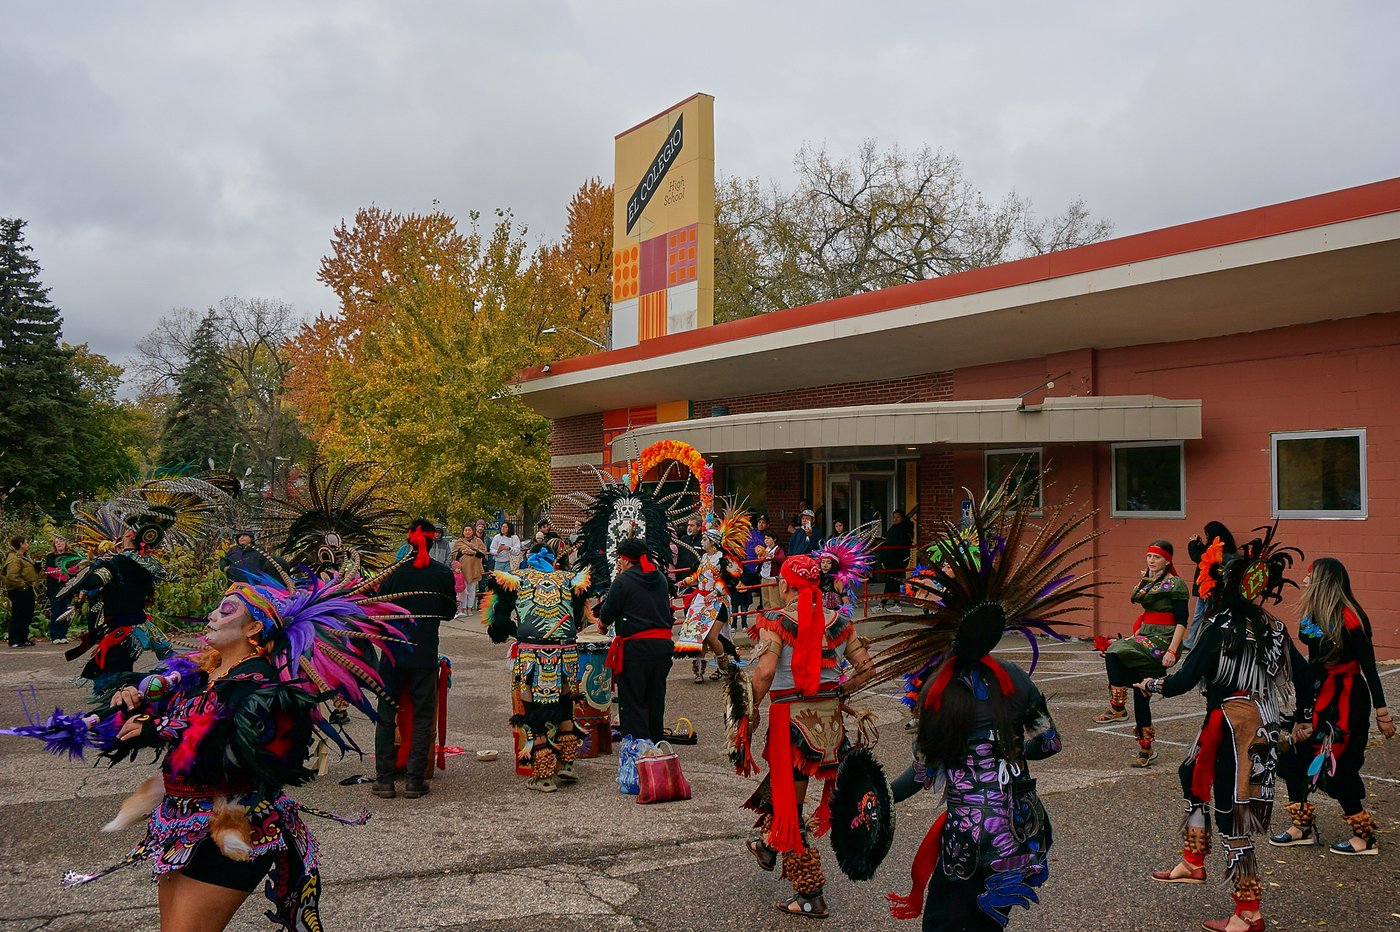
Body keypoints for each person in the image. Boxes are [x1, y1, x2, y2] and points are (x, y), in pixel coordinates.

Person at [7, 565, 412, 930]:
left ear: (253, 630)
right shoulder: (198, 673)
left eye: (226, 611)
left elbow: (239, 747)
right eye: (216, 609)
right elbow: (152, 721)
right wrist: (128, 705)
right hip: (174, 823)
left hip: (234, 825)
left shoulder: (260, 684)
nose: (213, 616)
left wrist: (162, 727)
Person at [869, 474, 1086, 931]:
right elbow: (1049, 745)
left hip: (967, 839)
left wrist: (879, 799)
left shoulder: (938, 691)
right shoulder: (1015, 677)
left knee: (945, 924)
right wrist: (1004, 750)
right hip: (1021, 831)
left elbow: (926, 771)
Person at [1137, 527, 1311, 932]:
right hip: (1251, 721)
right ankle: (1194, 860)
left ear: (1216, 586)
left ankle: (1249, 912)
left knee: (1235, 815)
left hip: (1238, 727)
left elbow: (1183, 679)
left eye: (1205, 581)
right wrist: (1301, 717)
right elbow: (1303, 676)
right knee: (1190, 774)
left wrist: (1151, 685)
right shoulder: (1271, 626)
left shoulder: (1219, 626)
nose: (1202, 587)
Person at [741, 553, 875, 919]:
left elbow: (766, 673)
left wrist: (747, 711)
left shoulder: (777, 620)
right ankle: (767, 846)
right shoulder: (840, 620)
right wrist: (839, 692)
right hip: (828, 727)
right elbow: (866, 668)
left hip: (791, 726)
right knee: (785, 792)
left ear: (784, 585)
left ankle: (810, 894)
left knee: (790, 808)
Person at [1271, 558, 1394, 854]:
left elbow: (1369, 667)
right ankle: (1302, 827)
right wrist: (1304, 714)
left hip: (1348, 699)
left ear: (1323, 581)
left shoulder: (1351, 618)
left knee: (1339, 767)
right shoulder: (1313, 616)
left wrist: (1382, 712)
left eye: (1310, 576)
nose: (1303, 581)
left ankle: (1364, 837)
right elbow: (1312, 666)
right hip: (1319, 692)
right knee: (1292, 756)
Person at [484, 542, 592, 792]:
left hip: (532, 652)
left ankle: (543, 775)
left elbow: (498, 623)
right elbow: (581, 619)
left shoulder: (516, 578)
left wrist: (517, 632)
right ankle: (567, 764)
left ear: (528, 558)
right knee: (566, 704)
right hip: (565, 652)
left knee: (533, 709)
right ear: (552, 560)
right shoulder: (569, 579)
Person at [372, 519, 457, 800]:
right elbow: (447, 612)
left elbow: (378, 610)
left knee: (386, 714)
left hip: (393, 653)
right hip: (424, 653)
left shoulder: (392, 573)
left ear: (408, 541)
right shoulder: (442, 573)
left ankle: (384, 780)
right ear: (433, 542)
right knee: (422, 717)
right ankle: (414, 780)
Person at [1092, 540, 1189, 767]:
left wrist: (1172, 651)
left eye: (1156, 557)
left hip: (1163, 640)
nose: (1151, 561)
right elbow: (1139, 605)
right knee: (1139, 690)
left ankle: (1117, 707)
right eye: (1149, 556)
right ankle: (1146, 749)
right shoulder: (1146, 581)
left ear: (1167, 560)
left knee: (1115, 651)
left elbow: (1182, 621)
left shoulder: (1175, 584)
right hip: (1145, 636)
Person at [599, 536, 676, 787]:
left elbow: (607, 614)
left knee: (633, 703)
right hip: (662, 647)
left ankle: (639, 762)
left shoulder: (623, 581)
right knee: (655, 700)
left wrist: (601, 624)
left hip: (636, 648)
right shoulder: (660, 578)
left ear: (624, 559)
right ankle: (655, 752)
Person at [676, 512, 749, 682]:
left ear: (713, 542)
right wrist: (685, 582)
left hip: (719, 602)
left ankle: (724, 667)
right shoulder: (703, 557)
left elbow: (729, 579)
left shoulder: (722, 559)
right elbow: (697, 577)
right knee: (698, 636)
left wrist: (715, 592)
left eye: (705, 538)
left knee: (712, 636)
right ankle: (699, 671)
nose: (701, 540)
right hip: (701, 601)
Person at [1184, 522, 1236, 650]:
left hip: (1208, 586)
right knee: (1203, 613)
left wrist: (1192, 544)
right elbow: (1206, 555)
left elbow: (1200, 558)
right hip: (1212, 587)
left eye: (1207, 536)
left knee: (1203, 614)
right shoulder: (1224, 548)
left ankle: (1194, 641)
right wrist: (1200, 544)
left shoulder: (1217, 549)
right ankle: (1195, 640)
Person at [3, 535, 41, 648]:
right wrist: (23, 586)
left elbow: (26, 571)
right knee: (19, 614)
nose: (28, 545)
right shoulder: (14, 558)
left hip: (26, 588)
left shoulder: (23, 556)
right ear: (21, 544)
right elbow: (12, 576)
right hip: (18, 590)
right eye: (26, 542)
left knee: (27, 614)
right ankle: (14, 640)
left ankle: (23, 638)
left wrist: (36, 568)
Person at [44, 537, 81, 644]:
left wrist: (66, 572)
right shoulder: (51, 556)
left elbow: (75, 568)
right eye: (56, 542)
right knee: (56, 611)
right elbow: (49, 570)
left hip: (68, 587)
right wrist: (64, 573)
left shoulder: (72, 556)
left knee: (66, 611)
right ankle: (55, 635)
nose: (58, 544)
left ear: (66, 543)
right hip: (54, 588)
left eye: (60, 541)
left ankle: (63, 634)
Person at [879, 509, 914, 612]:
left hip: (899, 559)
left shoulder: (904, 529)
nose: (895, 519)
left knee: (892, 580)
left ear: (902, 518)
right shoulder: (894, 528)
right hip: (891, 559)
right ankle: (892, 603)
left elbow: (900, 546)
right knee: (892, 580)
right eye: (894, 517)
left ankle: (885, 603)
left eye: (897, 517)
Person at [450, 524, 487, 614]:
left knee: (471, 589)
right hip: (462, 569)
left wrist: (473, 552)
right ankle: (462, 608)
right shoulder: (459, 542)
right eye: (466, 530)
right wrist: (462, 552)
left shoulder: (478, 541)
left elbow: (483, 553)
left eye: (469, 530)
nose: (467, 532)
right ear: (463, 531)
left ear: (472, 531)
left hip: (474, 568)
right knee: (462, 588)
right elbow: (454, 555)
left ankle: (469, 607)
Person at [757, 532, 786, 611]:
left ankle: (775, 619)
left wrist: (773, 556)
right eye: (765, 538)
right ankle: (767, 617)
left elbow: (782, 559)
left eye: (768, 538)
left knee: (774, 600)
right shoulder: (765, 549)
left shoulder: (778, 549)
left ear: (774, 539)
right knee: (765, 600)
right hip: (764, 576)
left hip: (772, 577)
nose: (766, 540)